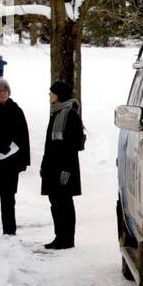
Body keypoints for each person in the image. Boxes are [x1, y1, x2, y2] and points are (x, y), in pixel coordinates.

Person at [41, 80, 84, 250]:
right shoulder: (56, 113)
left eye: (52, 93)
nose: (50, 95)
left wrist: (66, 170)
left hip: (64, 169)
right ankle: (60, 236)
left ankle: (67, 238)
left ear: (59, 95)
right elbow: (49, 145)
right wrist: (45, 165)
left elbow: (73, 146)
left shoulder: (70, 115)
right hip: (53, 167)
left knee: (64, 203)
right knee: (56, 203)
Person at [0, 79, 30, 237]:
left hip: (11, 163)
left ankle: (9, 232)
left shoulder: (16, 110)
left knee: (8, 199)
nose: (2, 93)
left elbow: (23, 136)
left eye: (5, 90)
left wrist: (22, 161)